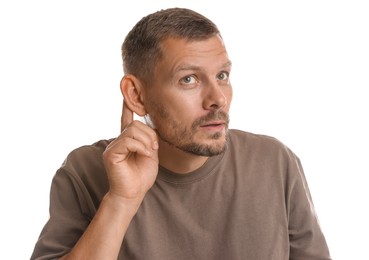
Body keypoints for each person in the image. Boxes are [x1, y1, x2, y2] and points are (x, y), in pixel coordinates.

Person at [30, 7, 331, 260]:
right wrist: (122, 200)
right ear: (136, 95)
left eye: (222, 76)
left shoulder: (274, 162)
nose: (218, 98)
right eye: (189, 79)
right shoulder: (86, 171)